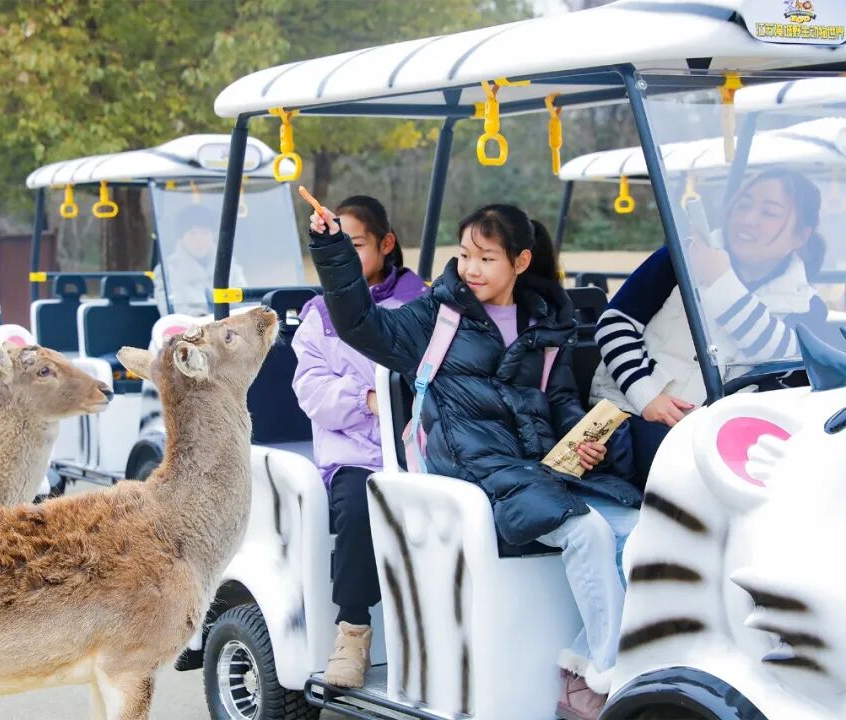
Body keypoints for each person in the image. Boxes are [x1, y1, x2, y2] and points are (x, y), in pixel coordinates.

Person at [308, 202, 640, 719]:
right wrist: (333, 251)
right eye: (465, 255)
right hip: (472, 469)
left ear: (520, 261)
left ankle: (586, 667)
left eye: (486, 258)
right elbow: (360, 324)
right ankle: (610, 684)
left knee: (638, 530)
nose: (471, 269)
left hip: (537, 469)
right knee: (588, 534)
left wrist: (581, 441)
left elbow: (558, 399)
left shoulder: (545, 322)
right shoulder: (435, 316)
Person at [590, 167, 829, 486]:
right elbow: (614, 323)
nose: (749, 219)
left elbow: (782, 354)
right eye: (744, 204)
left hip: (709, 438)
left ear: (801, 236)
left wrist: (720, 281)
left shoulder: (806, 304)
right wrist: (647, 396)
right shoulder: (680, 256)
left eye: (769, 212)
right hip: (627, 417)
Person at [290, 196, 428, 689]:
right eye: (340, 249)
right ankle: (353, 630)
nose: (348, 258)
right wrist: (369, 399)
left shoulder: (422, 302)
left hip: (419, 449)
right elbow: (311, 388)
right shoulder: (319, 315)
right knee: (357, 506)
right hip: (354, 452)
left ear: (387, 244)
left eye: (358, 246)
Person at [152, 204, 246, 316]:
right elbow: (171, 313)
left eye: (205, 233)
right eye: (192, 233)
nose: (199, 240)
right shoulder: (166, 271)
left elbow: (244, 305)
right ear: (182, 237)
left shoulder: (231, 266)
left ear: (213, 236)